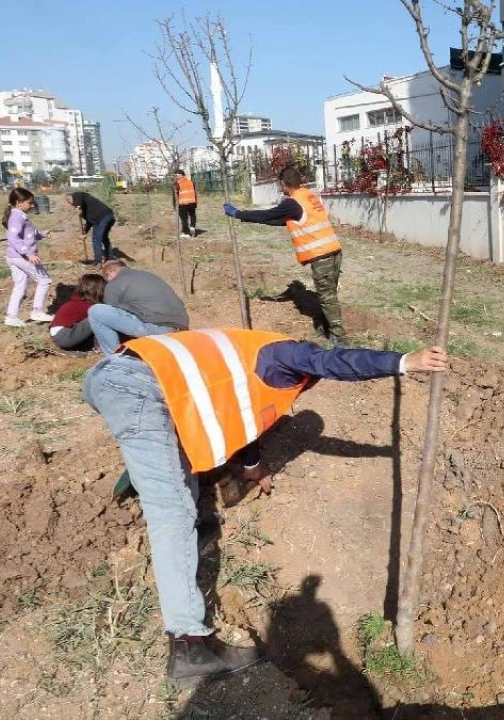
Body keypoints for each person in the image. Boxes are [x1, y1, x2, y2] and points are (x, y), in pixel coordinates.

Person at [82, 329, 448, 688]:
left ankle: (171, 513)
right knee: (171, 511)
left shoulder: (243, 354)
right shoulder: (284, 353)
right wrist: (403, 361)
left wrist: (253, 466)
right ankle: (188, 646)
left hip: (118, 375)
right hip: (136, 387)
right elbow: (334, 360)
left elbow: (236, 414)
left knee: (180, 471)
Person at [224, 165, 345, 344]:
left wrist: (239, 214)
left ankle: (339, 339)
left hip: (322, 255)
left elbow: (269, 214)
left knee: (327, 296)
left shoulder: (292, 202)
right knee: (327, 294)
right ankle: (324, 328)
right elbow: (283, 220)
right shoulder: (308, 196)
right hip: (333, 250)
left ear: (283, 183)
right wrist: (253, 220)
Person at [88, 260, 189, 354]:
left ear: (110, 273)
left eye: (107, 280)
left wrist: (97, 343)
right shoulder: (148, 276)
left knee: (96, 311)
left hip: (159, 329)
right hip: (181, 328)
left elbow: (108, 315)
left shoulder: (115, 283)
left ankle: (115, 358)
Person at [3, 188, 55, 328]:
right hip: (21, 257)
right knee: (44, 280)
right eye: (30, 203)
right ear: (18, 202)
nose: (32, 205)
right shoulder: (17, 217)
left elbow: (28, 234)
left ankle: (11, 317)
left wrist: (43, 234)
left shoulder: (19, 215)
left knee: (20, 286)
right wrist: (28, 253)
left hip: (13, 256)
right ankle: (37, 311)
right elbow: (13, 237)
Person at [50, 273, 107, 351]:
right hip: (64, 335)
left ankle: (95, 345)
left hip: (60, 335)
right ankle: (101, 346)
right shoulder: (87, 304)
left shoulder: (79, 301)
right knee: (98, 316)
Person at [65, 190, 116, 266]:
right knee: (104, 238)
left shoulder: (78, 195)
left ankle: (98, 262)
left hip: (103, 217)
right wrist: (84, 232)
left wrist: (78, 206)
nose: (72, 205)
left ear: (69, 199)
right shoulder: (84, 208)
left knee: (96, 240)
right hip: (107, 216)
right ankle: (110, 259)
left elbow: (81, 195)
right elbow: (90, 222)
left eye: (70, 203)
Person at [172, 169, 198, 238]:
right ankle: (192, 227)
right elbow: (194, 192)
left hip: (183, 203)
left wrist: (175, 206)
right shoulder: (191, 182)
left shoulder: (176, 184)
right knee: (192, 215)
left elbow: (175, 196)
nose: (176, 177)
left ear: (180, 175)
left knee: (184, 218)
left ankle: (186, 233)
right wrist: (195, 202)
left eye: (176, 175)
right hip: (192, 202)